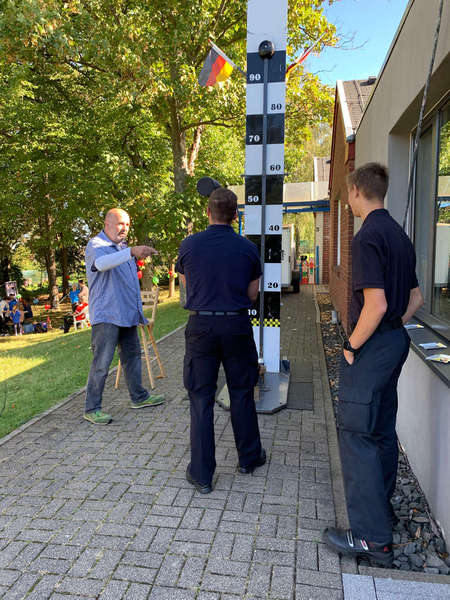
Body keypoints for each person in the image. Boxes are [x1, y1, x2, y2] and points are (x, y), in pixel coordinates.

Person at [322, 163, 424, 567]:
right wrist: (394, 326)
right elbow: (415, 298)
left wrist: (352, 345)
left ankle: (370, 538)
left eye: (349, 195)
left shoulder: (367, 236)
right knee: (381, 430)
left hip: (374, 346)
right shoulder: (399, 235)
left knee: (357, 434)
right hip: (396, 341)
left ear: (357, 192)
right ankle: (382, 514)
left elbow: (376, 305)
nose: (348, 201)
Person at [176, 187, 265, 494]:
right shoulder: (248, 248)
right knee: (241, 391)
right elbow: (252, 294)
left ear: (208, 213)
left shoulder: (189, 245)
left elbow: (186, 285)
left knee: (201, 397)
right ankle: (249, 459)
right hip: (236, 324)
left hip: (201, 326)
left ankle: (202, 475)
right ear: (235, 215)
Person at [84, 208, 165, 425]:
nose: (125, 228)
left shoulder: (122, 248)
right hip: (107, 315)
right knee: (101, 363)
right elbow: (101, 264)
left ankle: (139, 397)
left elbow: (129, 283)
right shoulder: (96, 245)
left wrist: (138, 312)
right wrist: (131, 252)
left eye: (128, 225)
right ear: (107, 223)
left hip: (127, 314)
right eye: (121, 223)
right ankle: (92, 408)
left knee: (132, 357)